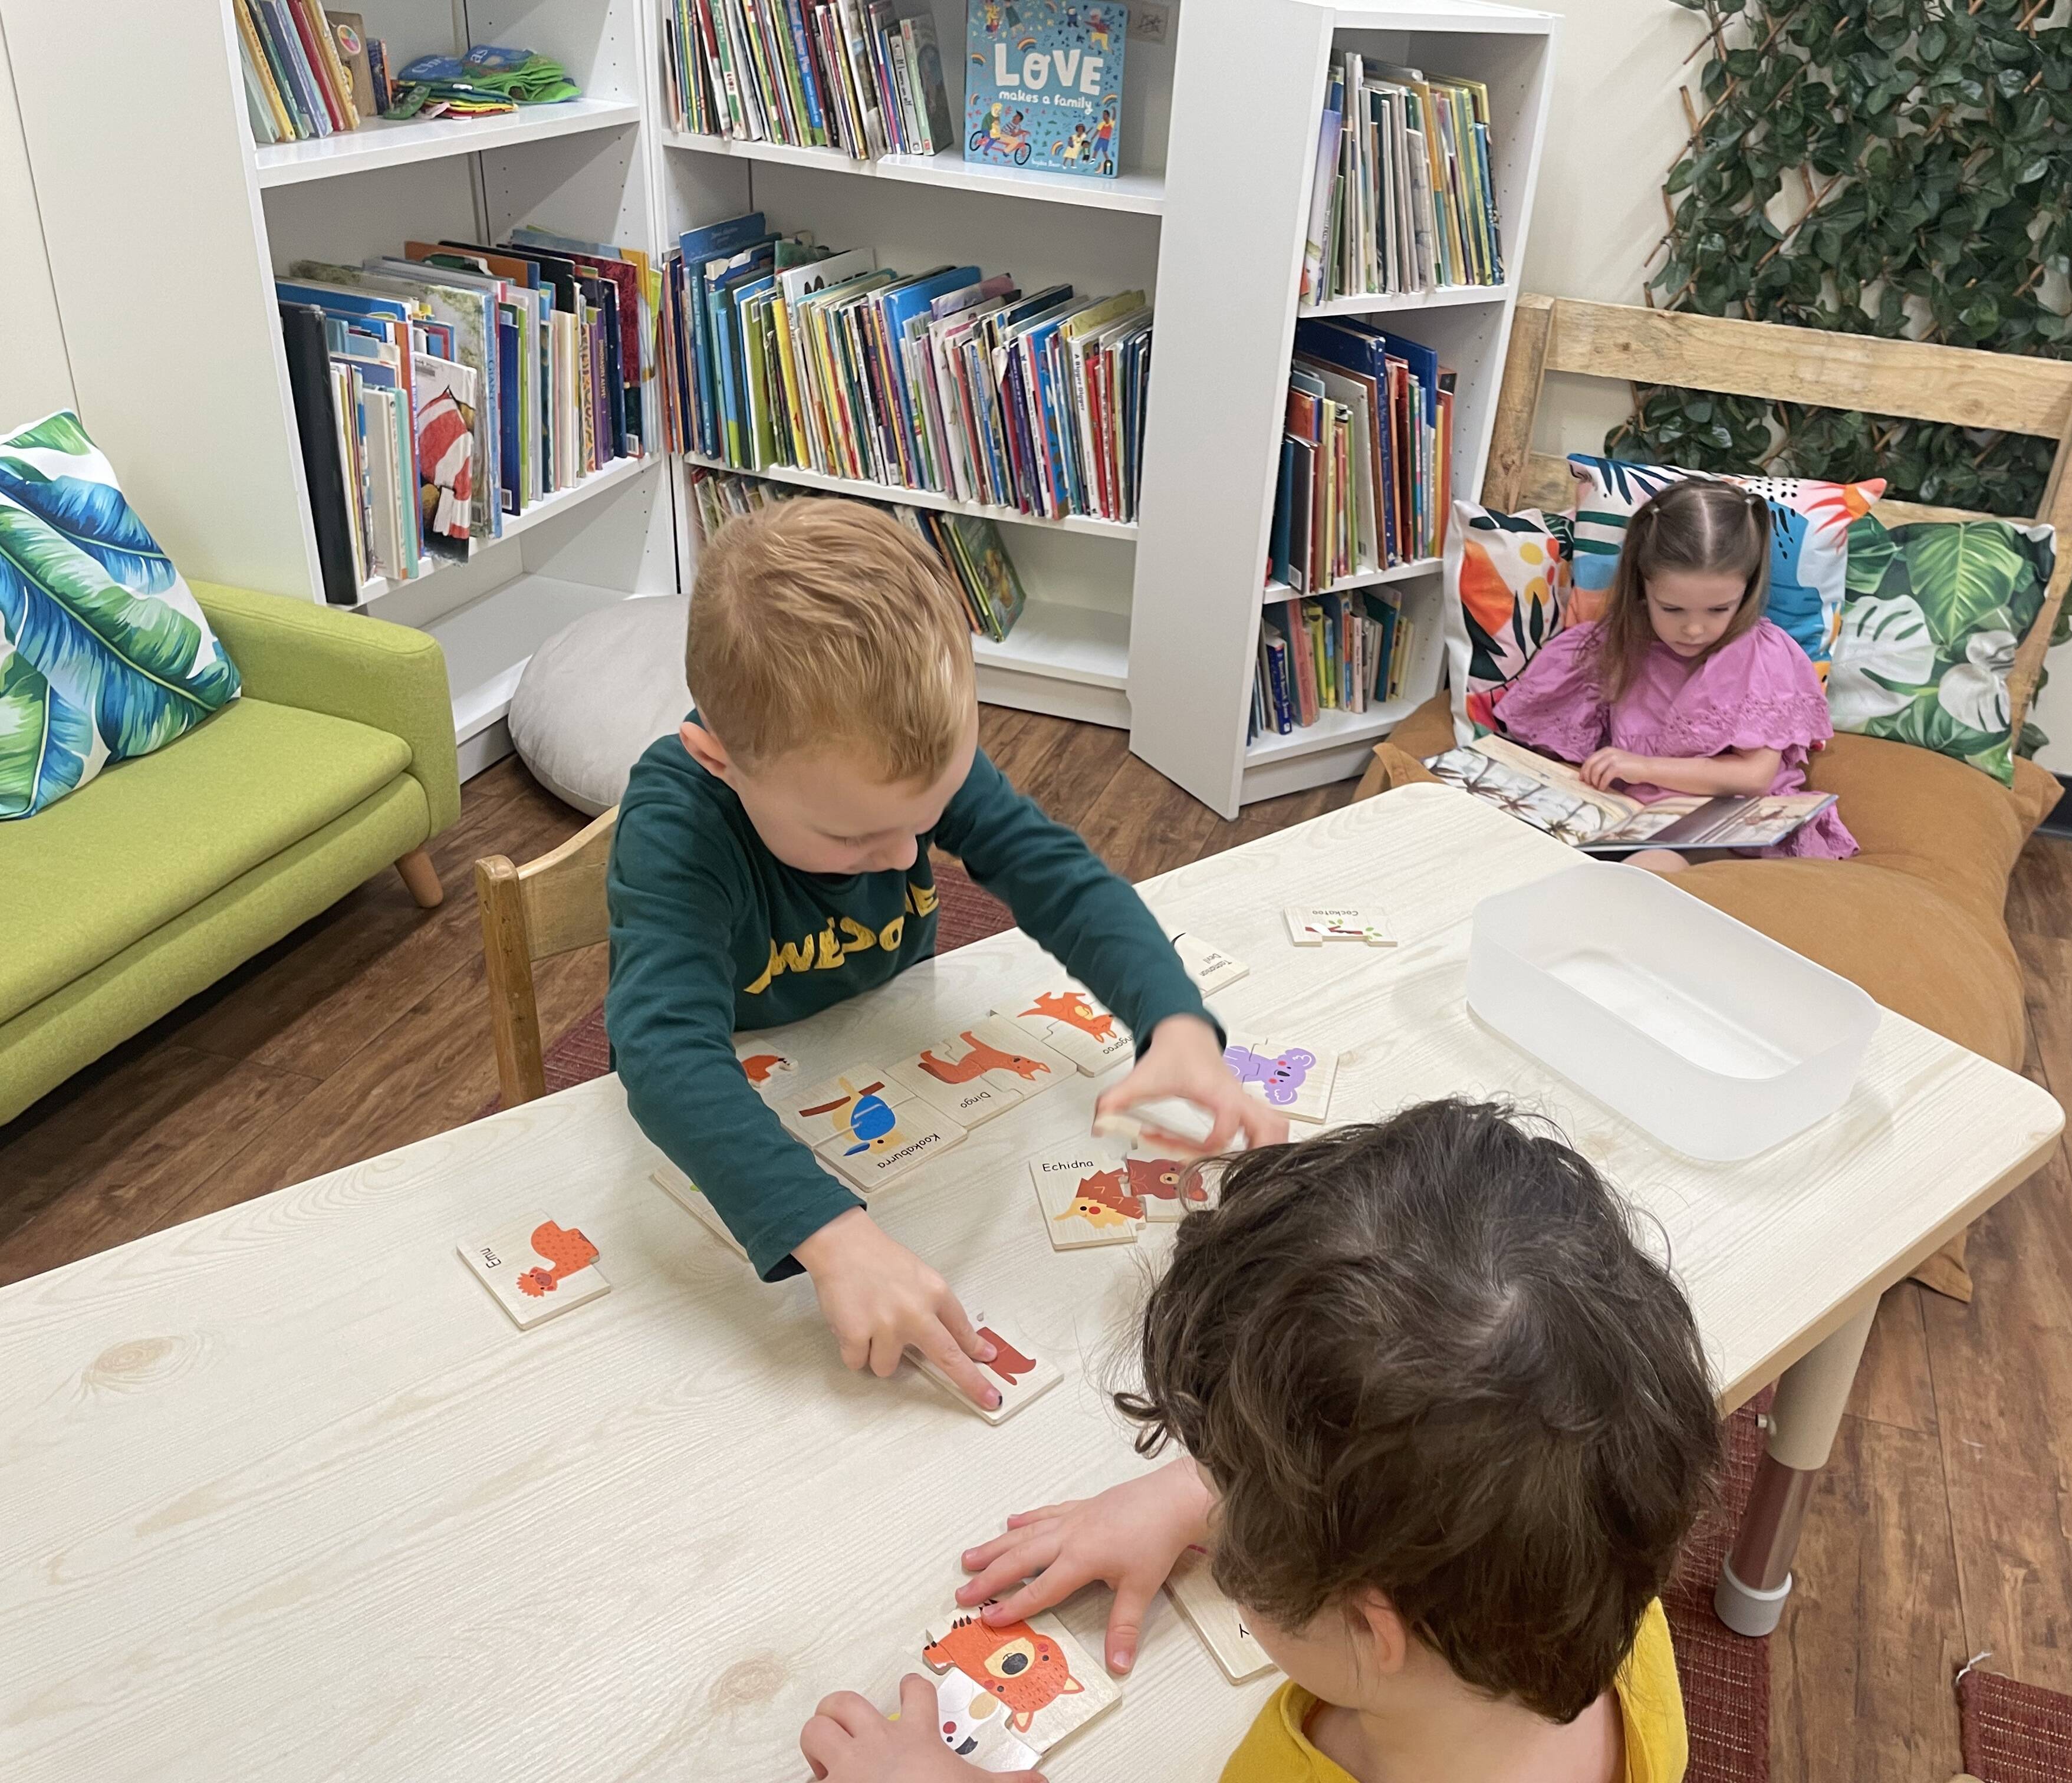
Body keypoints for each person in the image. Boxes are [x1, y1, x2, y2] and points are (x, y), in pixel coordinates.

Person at [798, 1100, 1724, 1783]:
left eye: (1232, 1496)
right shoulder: (1589, 1584)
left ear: (1369, 1623)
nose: (1209, 1492)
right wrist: (1191, 1493)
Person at [606, 499, 1284, 1411]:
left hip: (884, 1059)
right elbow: (661, 1054)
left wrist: (1172, 1020)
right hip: (734, 1109)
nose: (900, 857)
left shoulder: (898, 761)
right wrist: (832, 1237)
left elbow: (1058, 876)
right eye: (856, 836)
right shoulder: (680, 818)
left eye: (924, 823)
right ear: (718, 759)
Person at [1491, 476, 1856, 870]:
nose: (1695, 630)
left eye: (1719, 609)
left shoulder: (1758, 656)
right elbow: (1555, 750)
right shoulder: (1610, 649)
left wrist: (1642, 767)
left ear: (1747, 591)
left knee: (1657, 865)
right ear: (1642, 589)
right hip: (1625, 820)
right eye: (1672, 609)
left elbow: (1754, 775)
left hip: (1727, 826)